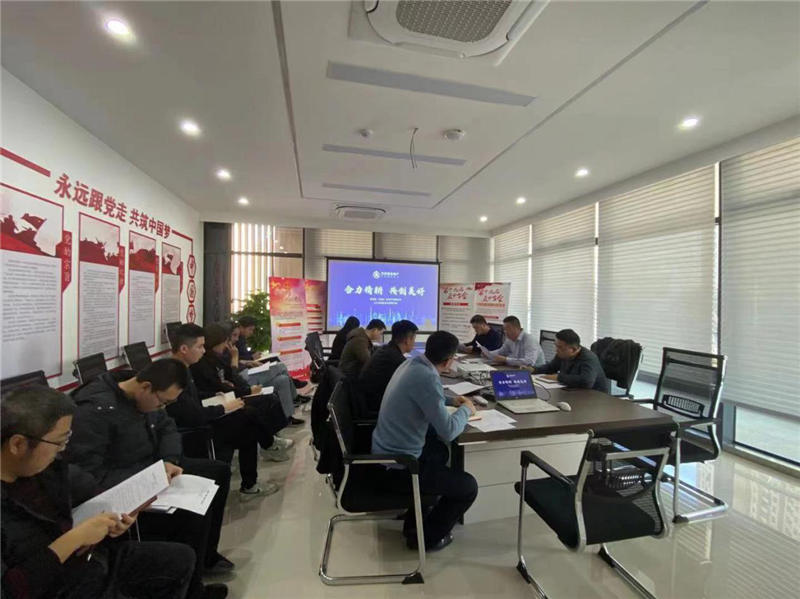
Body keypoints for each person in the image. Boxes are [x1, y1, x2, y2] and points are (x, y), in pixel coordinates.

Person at [1, 386, 226, 599]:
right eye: (58, 442)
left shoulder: (47, 470)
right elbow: (10, 589)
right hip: (54, 585)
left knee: (180, 558)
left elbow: (90, 489)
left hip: (89, 561)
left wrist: (117, 514)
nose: (62, 450)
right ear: (18, 444)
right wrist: (74, 538)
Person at [66, 359, 234, 579]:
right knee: (191, 513)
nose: (162, 407)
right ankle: (192, 581)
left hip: (155, 469)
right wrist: (145, 479)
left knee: (218, 472)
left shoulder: (147, 395)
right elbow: (89, 472)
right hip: (125, 484)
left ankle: (206, 559)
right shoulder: (94, 411)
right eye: (163, 402)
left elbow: (167, 427)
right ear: (145, 387)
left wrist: (168, 460)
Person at [372, 331, 479, 552]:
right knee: (468, 487)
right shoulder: (427, 377)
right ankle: (427, 539)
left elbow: (424, 395)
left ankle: (416, 519)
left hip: (384, 452)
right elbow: (449, 431)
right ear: (449, 360)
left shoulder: (412, 364)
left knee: (440, 451)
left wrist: (450, 400)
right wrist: (467, 409)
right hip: (399, 466)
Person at [167, 323, 291, 493]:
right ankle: (259, 465)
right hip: (196, 430)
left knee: (248, 419)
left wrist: (216, 396)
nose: (203, 351)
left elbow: (194, 399)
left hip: (203, 418)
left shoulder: (183, 369)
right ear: (184, 349)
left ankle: (252, 481)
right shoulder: (173, 376)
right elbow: (192, 414)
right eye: (200, 347)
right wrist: (223, 408)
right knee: (248, 417)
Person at [206, 322, 304, 426]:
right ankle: (295, 397)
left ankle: (288, 417)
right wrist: (235, 360)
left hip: (245, 375)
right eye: (233, 336)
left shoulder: (229, 349)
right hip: (242, 382)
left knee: (282, 379)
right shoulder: (217, 356)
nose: (236, 339)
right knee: (280, 366)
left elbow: (238, 362)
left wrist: (246, 362)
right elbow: (233, 377)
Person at [358, 319, 418, 415]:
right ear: (407, 340)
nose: (414, 342)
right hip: (376, 407)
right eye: (414, 339)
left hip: (367, 400)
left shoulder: (385, 350)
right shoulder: (396, 360)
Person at [528, 328, 610, 393]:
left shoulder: (588, 358)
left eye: (560, 347)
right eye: (556, 346)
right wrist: (534, 370)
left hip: (595, 397)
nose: (556, 350)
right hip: (574, 392)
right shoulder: (562, 354)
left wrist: (558, 377)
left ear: (573, 349)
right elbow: (551, 367)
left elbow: (587, 381)